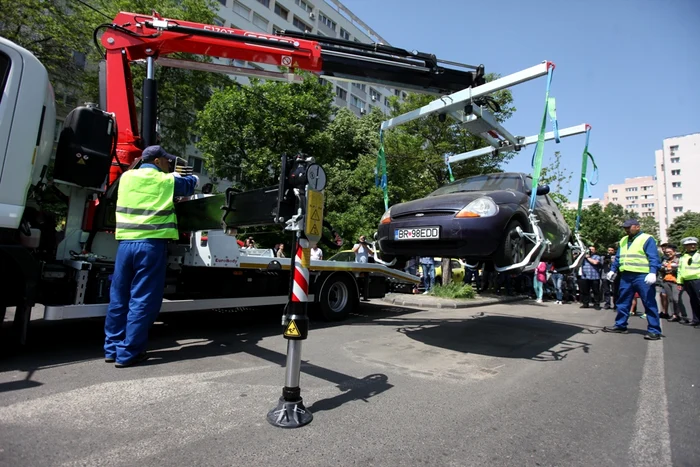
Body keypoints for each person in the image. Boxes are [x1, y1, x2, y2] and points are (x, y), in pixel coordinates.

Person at [104, 145, 198, 367]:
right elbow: (189, 185)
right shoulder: (166, 181)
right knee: (142, 299)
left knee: (119, 298)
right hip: (150, 246)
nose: (168, 164)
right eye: (166, 161)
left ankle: (111, 348)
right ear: (157, 161)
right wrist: (189, 176)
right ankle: (129, 353)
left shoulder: (127, 177)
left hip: (125, 245)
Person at [604, 219, 662, 340]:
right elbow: (619, 257)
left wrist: (652, 272)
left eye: (628, 227)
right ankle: (620, 325)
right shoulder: (624, 240)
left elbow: (653, 257)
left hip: (642, 275)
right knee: (623, 301)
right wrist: (612, 270)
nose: (626, 230)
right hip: (626, 276)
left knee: (649, 302)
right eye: (625, 228)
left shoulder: (647, 238)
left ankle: (654, 330)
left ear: (637, 227)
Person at [659, 244, 687, 323]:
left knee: (676, 299)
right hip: (666, 281)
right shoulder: (666, 260)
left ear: (674, 252)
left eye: (670, 252)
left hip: (675, 281)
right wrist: (663, 267)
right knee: (671, 299)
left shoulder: (679, 259)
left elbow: (681, 270)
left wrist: (673, 268)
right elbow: (661, 269)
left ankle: (684, 316)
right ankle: (674, 315)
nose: (668, 253)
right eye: (666, 252)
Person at [676, 237, 700, 327]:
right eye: (690, 245)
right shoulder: (683, 257)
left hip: (697, 280)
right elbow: (680, 270)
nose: (693, 246)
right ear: (685, 246)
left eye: (694, 244)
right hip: (687, 281)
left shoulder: (698, 255)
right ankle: (696, 319)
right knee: (693, 301)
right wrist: (680, 282)